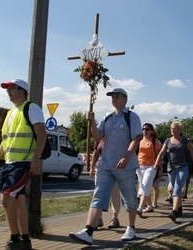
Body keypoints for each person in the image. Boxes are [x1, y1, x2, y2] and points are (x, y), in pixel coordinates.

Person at [69, 88, 142, 245]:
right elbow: (98, 137)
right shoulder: (107, 118)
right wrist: (92, 122)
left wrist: (127, 157)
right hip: (106, 165)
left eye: (117, 96)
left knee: (129, 198)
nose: (114, 99)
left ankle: (131, 227)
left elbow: (136, 139)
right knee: (98, 196)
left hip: (125, 166)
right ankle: (88, 231)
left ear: (125, 99)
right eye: (112, 97)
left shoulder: (131, 117)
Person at [0, 79, 47, 250]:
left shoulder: (32, 108)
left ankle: (15, 240)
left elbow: (42, 134)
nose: (8, 91)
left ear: (22, 91)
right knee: (18, 201)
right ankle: (26, 240)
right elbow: (6, 141)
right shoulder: (11, 112)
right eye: (7, 88)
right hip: (10, 164)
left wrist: (36, 159)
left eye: (11, 88)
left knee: (6, 199)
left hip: (23, 163)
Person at [154, 121, 193, 222]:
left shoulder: (185, 141)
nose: (173, 130)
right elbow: (161, 153)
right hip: (171, 168)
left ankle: (174, 212)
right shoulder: (168, 140)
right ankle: (179, 208)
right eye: (172, 128)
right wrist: (157, 162)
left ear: (180, 130)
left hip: (183, 167)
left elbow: (191, 153)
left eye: (176, 128)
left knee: (177, 189)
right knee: (175, 188)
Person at [90, 139, 121, 229]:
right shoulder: (99, 138)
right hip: (100, 169)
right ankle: (98, 218)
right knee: (98, 194)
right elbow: (96, 153)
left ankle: (115, 218)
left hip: (115, 169)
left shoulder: (117, 136)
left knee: (115, 193)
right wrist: (92, 167)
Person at [136, 123, 161, 214]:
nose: (144, 131)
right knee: (142, 186)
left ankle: (140, 207)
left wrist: (160, 168)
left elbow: (159, 155)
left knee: (145, 185)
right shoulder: (139, 141)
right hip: (140, 166)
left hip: (151, 166)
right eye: (143, 129)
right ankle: (149, 206)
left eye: (147, 129)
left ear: (151, 131)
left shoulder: (155, 142)